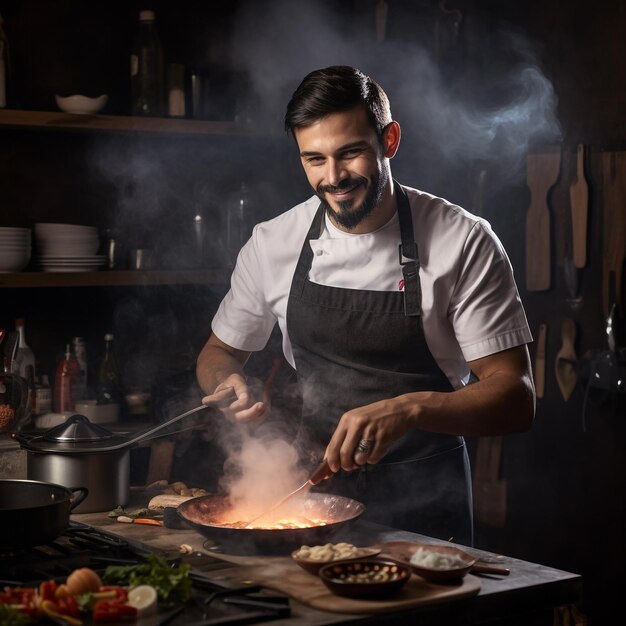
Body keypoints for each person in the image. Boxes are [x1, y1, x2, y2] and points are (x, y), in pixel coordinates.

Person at [197, 65, 535, 546]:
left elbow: (516, 398)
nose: (333, 178)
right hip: (312, 495)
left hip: (427, 503)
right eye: (313, 159)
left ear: (389, 140)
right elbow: (217, 354)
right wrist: (225, 382)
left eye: (350, 153)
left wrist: (410, 409)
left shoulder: (464, 240)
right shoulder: (274, 242)